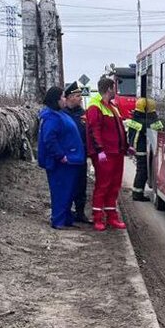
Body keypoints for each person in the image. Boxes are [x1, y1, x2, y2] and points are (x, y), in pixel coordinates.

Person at [86, 74, 133, 231]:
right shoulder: (95, 106)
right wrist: (99, 150)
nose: (116, 91)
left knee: (114, 185)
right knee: (103, 185)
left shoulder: (112, 107)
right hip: (105, 154)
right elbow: (94, 129)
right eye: (114, 88)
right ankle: (98, 218)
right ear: (108, 89)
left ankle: (112, 217)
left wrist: (126, 147)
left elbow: (120, 130)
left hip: (116, 152)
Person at [37, 86, 86, 229]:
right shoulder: (52, 117)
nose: (65, 99)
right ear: (56, 99)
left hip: (71, 159)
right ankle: (58, 221)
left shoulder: (59, 114)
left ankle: (66, 218)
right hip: (62, 162)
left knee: (69, 191)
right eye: (63, 97)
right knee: (61, 191)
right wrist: (61, 155)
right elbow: (49, 139)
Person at [125, 97, 164, 201]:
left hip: (137, 149)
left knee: (141, 171)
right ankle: (137, 194)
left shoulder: (136, 118)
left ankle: (137, 192)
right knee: (142, 172)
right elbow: (159, 127)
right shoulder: (145, 122)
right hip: (142, 150)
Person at [62, 82, 91, 223]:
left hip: (81, 156)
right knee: (68, 186)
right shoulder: (62, 114)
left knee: (81, 185)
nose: (81, 98)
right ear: (70, 97)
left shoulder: (83, 114)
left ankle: (80, 213)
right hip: (67, 158)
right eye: (78, 96)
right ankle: (66, 213)